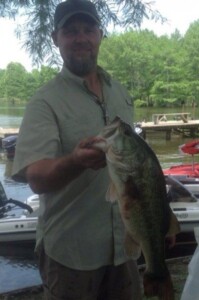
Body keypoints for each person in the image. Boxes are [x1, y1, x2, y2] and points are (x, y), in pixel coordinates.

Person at [12, 0, 142, 299]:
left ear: (100, 34)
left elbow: (138, 165)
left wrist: (160, 216)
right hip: (71, 255)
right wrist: (75, 161)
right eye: (70, 31)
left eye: (87, 29)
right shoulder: (44, 102)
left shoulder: (120, 91)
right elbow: (37, 178)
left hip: (125, 250)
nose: (80, 38)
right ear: (56, 38)